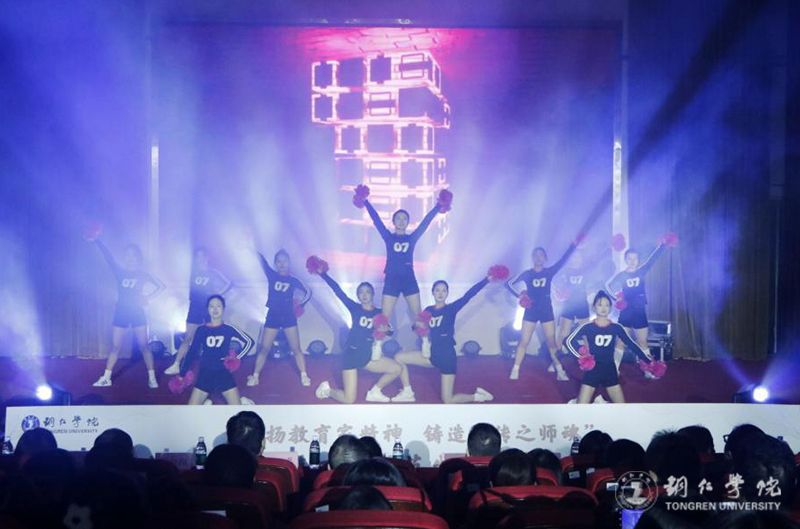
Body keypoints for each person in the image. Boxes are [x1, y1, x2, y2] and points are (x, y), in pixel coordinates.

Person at [394, 271, 497, 403]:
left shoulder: (451, 309)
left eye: (444, 290)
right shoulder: (428, 310)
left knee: (448, 400)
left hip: (446, 357)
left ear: (447, 293)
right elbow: (416, 328)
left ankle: (478, 396)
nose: (440, 293)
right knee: (398, 357)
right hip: (431, 355)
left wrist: (486, 280)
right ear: (433, 292)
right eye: (437, 290)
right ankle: (407, 391)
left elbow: (469, 295)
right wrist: (417, 325)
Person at [357, 187, 449, 328]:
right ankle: (377, 342)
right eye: (398, 218)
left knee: (419, 317)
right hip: (392, 279)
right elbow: (377, 221)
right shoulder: (388, 237)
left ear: (408, 222)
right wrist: (366, 202)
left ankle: (425, 341)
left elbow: (425, 223)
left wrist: (438, 206)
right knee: (383, 320)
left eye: (404, 219)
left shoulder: (412, 238)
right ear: (393, 222)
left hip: (408, 279)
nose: (401, 221)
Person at [311, 264, 403, 403]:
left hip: (368, 356)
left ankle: (375, 391)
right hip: (352, 356)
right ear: (358, 296)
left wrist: (387, 330)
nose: (364, 295)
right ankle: (327, 390)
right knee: (349, 400)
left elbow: (390, 331)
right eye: (361, 292)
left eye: (367, 292)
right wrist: (323, 274)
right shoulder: (355, 308)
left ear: (372, 294)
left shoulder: (379, 312)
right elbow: (338, 291)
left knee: (397, 369)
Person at [88, 238, 165, 388]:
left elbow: (161, 286)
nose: (131, 258)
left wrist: (147, 298)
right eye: (128, 255)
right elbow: (109, 258)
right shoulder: (120, 272)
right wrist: (98, 241)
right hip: (121, 312)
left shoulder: (143, 274)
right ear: (125, 258)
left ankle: (152, 378)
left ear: (138, 258)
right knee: (116, 346)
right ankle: (106, 378)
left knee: (144, 346)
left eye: (133, 255)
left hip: (137, 312)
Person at [506, 240, 579, 381]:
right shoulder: (527, 274)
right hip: (531, 311)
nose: (538, 258)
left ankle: (559, 370)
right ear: (532, 258)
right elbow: (508, 284)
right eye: (536, 255)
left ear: (545, 258)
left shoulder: (549, 272)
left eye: (541, 255)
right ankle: (515, 369)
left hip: (546, 310)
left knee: (551, 341)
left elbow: (563, 260)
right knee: (524, 340)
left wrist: (573, 246)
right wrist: (520, 296)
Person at [565, 291, 654, 403]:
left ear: (611, 308)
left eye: (607, 305)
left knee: (622, 408)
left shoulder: (616, 327)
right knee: (580, 408)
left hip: (610, 371)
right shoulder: (587, 327)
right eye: (600, 305)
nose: (603, 308)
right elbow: (568, 341)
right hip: (592, 371)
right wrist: (582, 357)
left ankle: (599, 401)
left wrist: (648, 361)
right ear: (594, 307)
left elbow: (631, 344)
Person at [248, 250, 311, 387]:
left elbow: (308, 292)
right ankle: (255, 376)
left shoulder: (293, 279)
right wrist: (252, 247)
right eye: (279, 261)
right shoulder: (272, 275)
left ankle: (304, 375)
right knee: (264, 348)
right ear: (275, 264)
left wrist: (299, 305)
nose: (282, 264)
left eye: (285, 261)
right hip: (273, 316)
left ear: (289, 262)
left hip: (288, 316)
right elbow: (263, 262)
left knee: (296, 348)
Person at [605, 241, 670, 374]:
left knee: (642, 342)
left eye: (635, 258)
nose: (632, 261)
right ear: (625, 260)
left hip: (639, 312)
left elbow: (653, 259)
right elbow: (607, 286)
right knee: (620, 342)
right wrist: (617, 299)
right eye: (629, 258)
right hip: (626, 312)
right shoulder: (622, 275)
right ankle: (613, 370)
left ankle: (649, 370)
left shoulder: (641, 271)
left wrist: (663, 245)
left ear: (638, 260)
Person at [165, 247, 231, 375]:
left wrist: (217, 295)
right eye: (198, 257)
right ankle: (176, 364)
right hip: (195, 307)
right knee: (188, 337)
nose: (200, 259)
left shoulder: (213, 272)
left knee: (212, 336)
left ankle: (217, 365)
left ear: (207, 257)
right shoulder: (192, 273)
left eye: (202, 256)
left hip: (208, 309)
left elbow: (228, 284)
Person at [179, 295, 254, 405]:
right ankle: (206, 405)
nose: (215, 309)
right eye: (211, 306)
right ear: (207, 309)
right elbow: (192, 352)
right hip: (205, 373)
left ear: (223, 309)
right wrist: (182, 374)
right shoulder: (201, 330)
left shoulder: (229, 328)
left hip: (223, 373)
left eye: (218, 306)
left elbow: (249, 342)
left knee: (237, 411)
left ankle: (241, 401)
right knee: (191, 410)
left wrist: (236, 358)